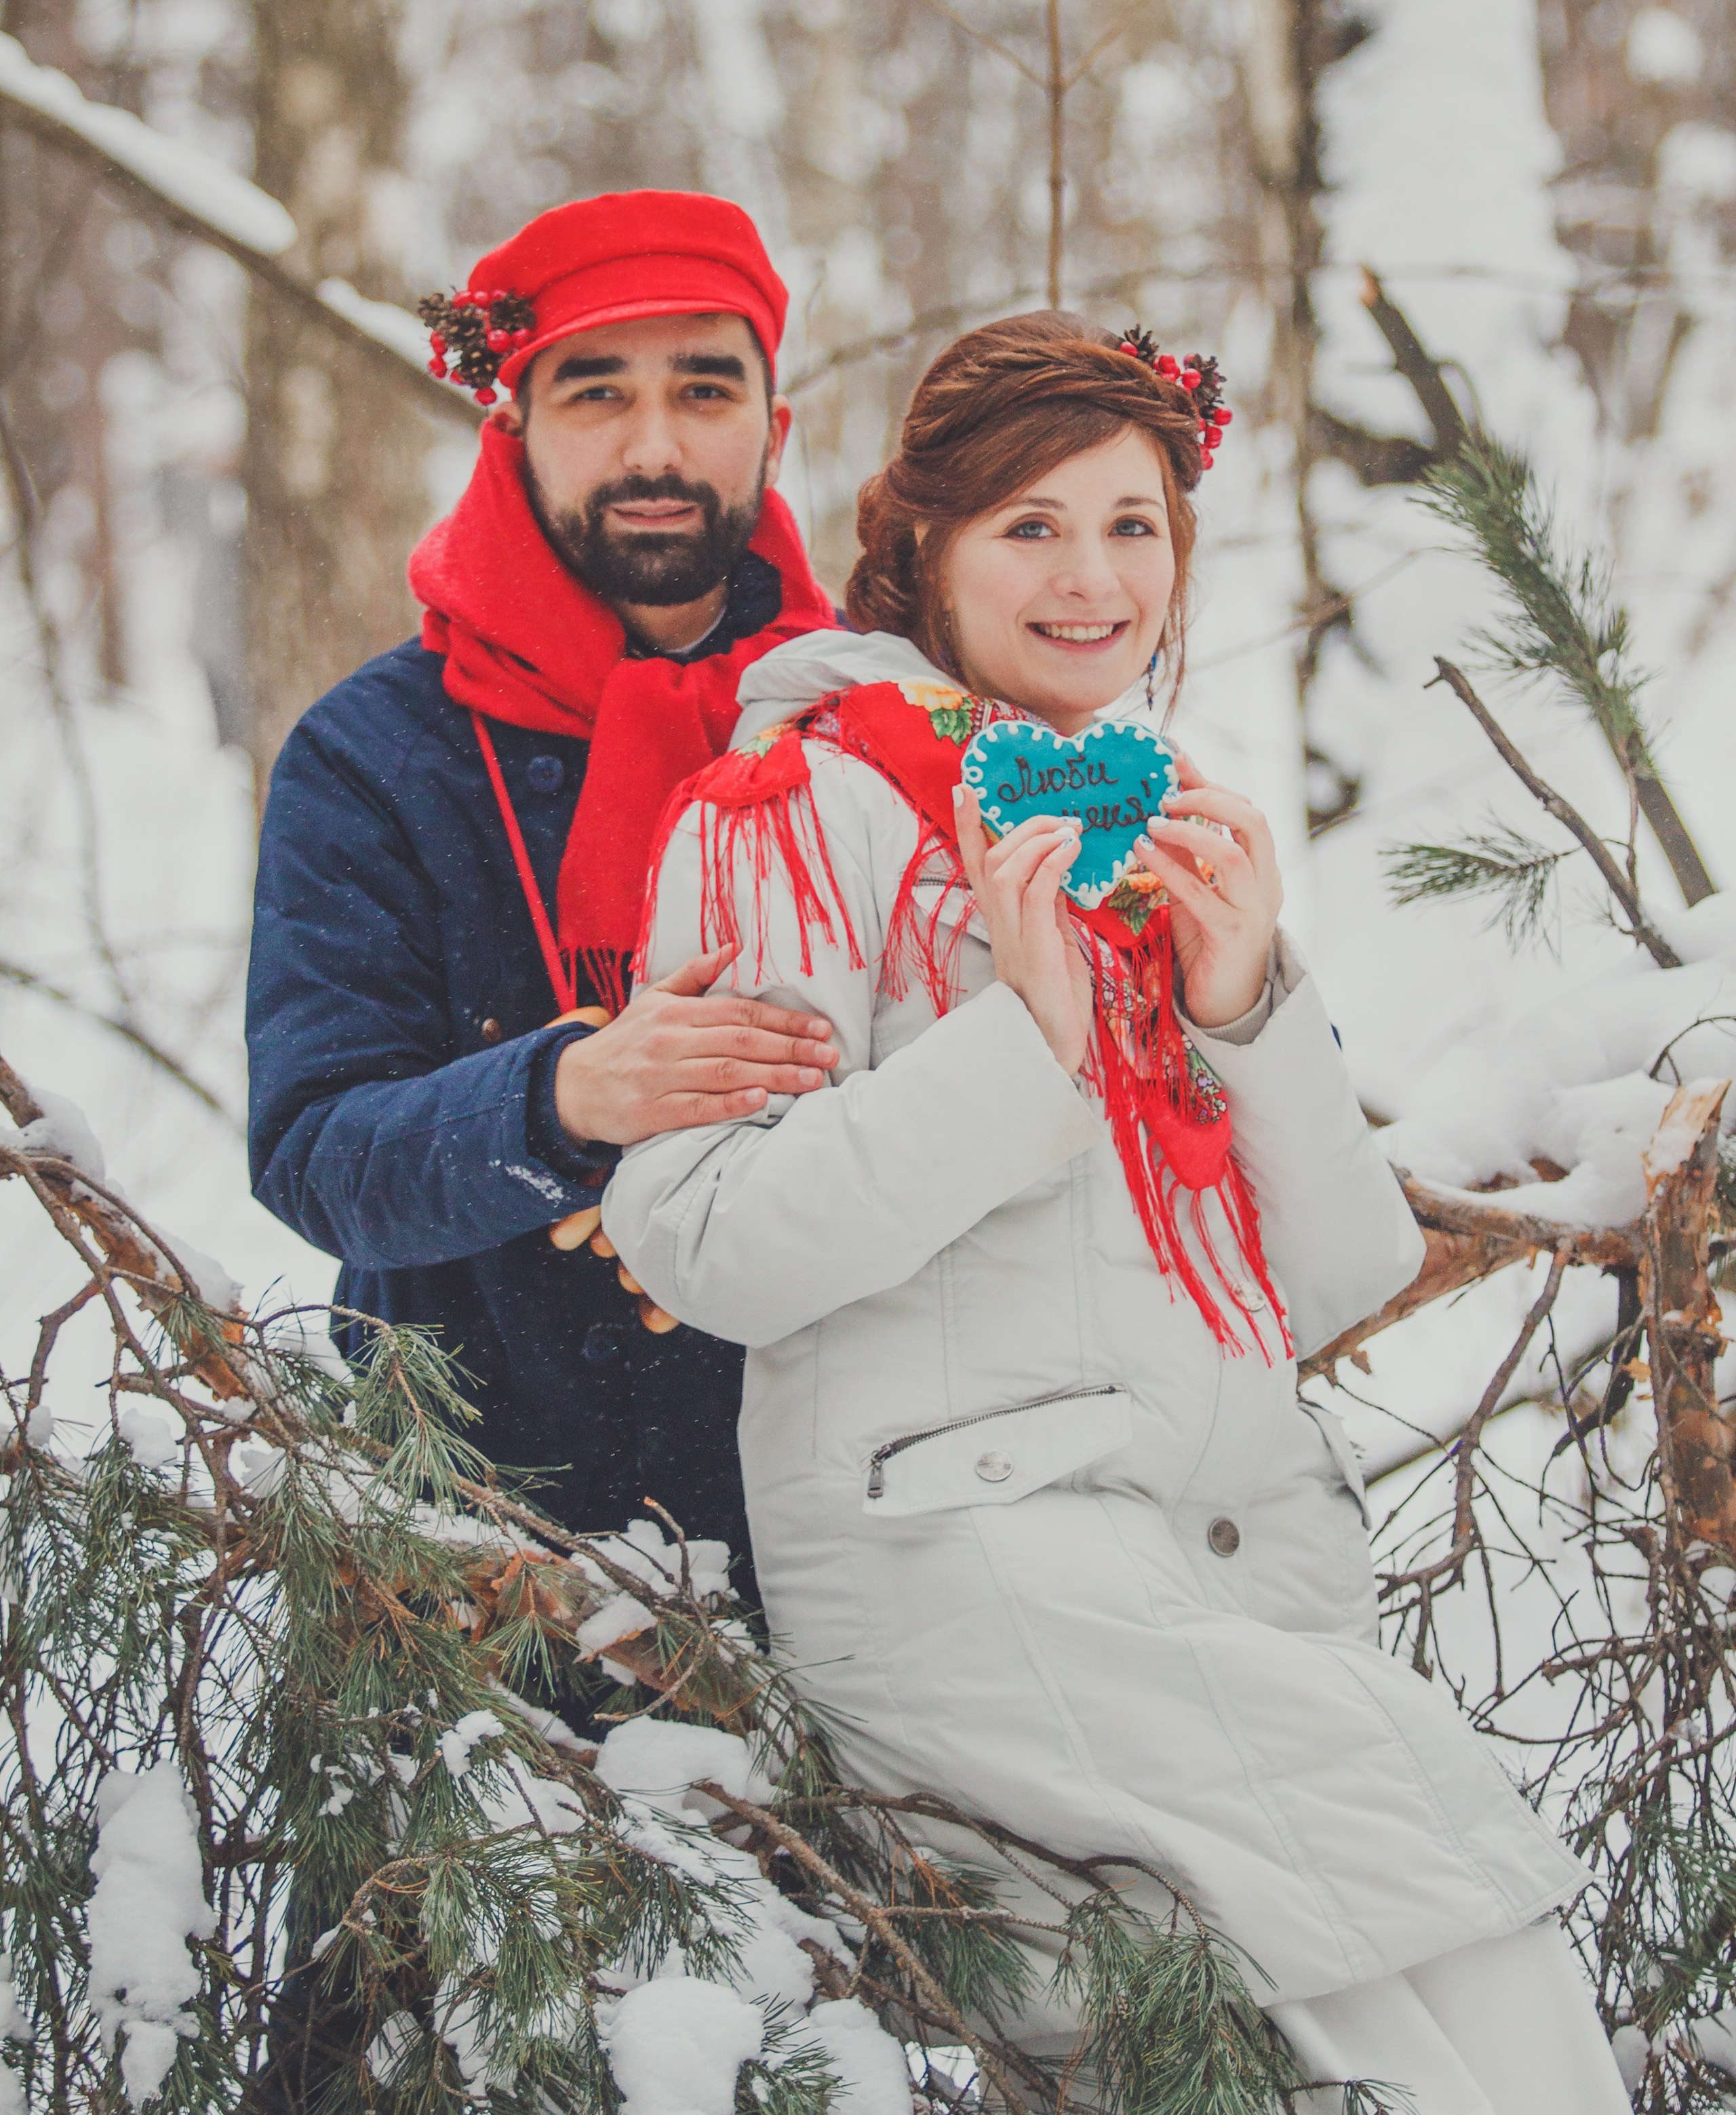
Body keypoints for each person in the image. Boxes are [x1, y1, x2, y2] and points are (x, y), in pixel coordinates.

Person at [601, 312, 1632, 2114]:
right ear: (920, 540)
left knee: (1375, 2008)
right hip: (974, 1562)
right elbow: (707, 1244)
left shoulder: (1152, 826)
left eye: (1135, 524)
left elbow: (1321, 1286)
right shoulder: (793, 810)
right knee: (1458, 1943)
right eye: (1031, 527)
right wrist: (1029, 1044)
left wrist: (1244, 1000)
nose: (1093, 581)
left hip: (1209, 1551)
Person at [246, 191, 843, 1579]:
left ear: (775, 425)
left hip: (841, 1544)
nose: (652, 447)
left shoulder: (863, 717)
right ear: (509, 428)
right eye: (595, 394)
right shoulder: (378, 754)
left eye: (705, 389)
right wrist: (564, 1098)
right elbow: (314, 1154)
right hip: (490, 1569)